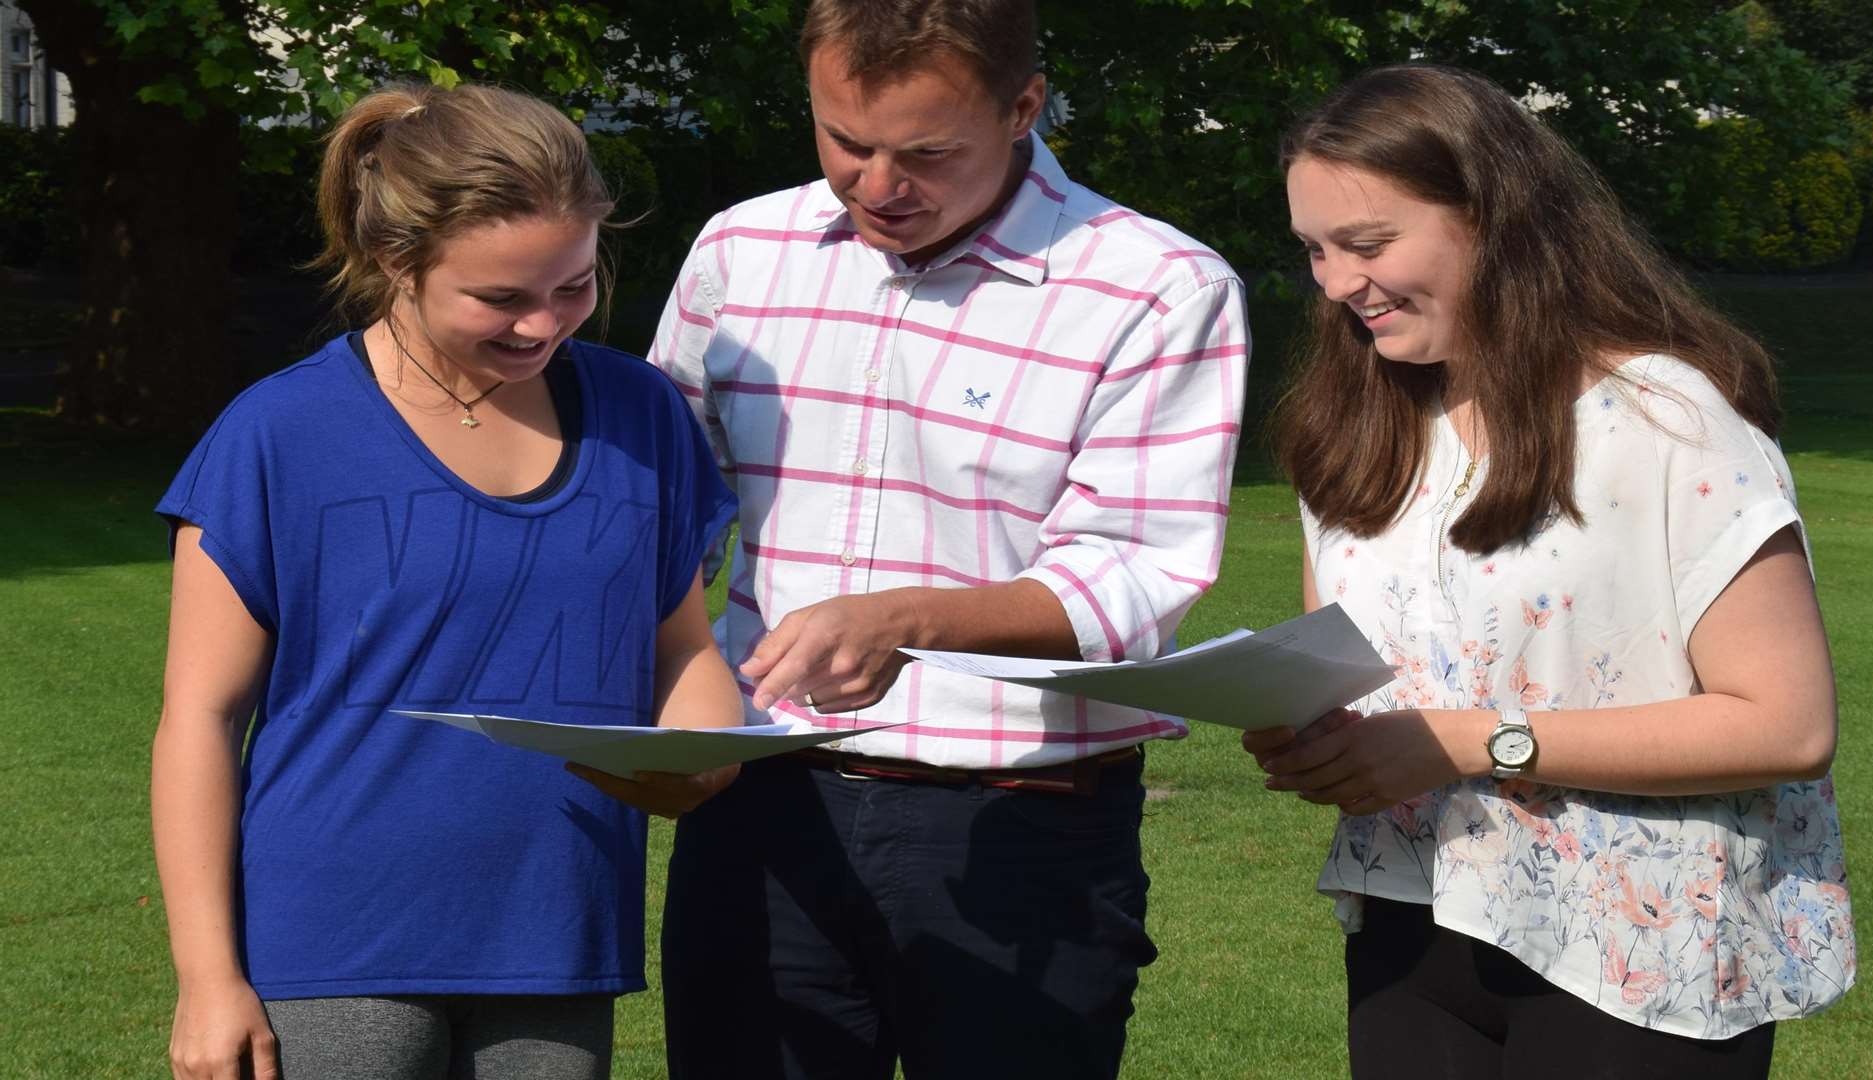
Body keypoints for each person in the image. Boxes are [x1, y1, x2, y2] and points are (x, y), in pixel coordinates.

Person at [640, 0, 1248, 1075]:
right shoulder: (742, 252)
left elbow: (1135, 581)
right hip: (762, 810)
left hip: (1018, 829)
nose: (878, 186)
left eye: (926, 153)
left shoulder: (1157, 287)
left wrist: (909, 621)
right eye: (845, 141)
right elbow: (666, 523)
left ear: (1024, 107)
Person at [1242, 63, 1855, 1077]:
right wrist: (1326, 746)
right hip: (1412, 922)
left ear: (1494, 219)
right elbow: (1361, 681)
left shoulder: (1667, 420)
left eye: (1369, 243)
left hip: (1641, 957)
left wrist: (1469, 742)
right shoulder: (1353, 431)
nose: (1339, 283)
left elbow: (1788, 724)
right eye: (1314, 250)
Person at [151, 82, 740, 1080]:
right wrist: (209, 979)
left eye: (574, 284)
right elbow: (199, 717)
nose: (544, 323)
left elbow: (681, 646)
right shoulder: (277, 434)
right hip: (333, 948)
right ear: (396, 261)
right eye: (501, 298)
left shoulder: (642, 415)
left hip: (558, 932)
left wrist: (710, 757)